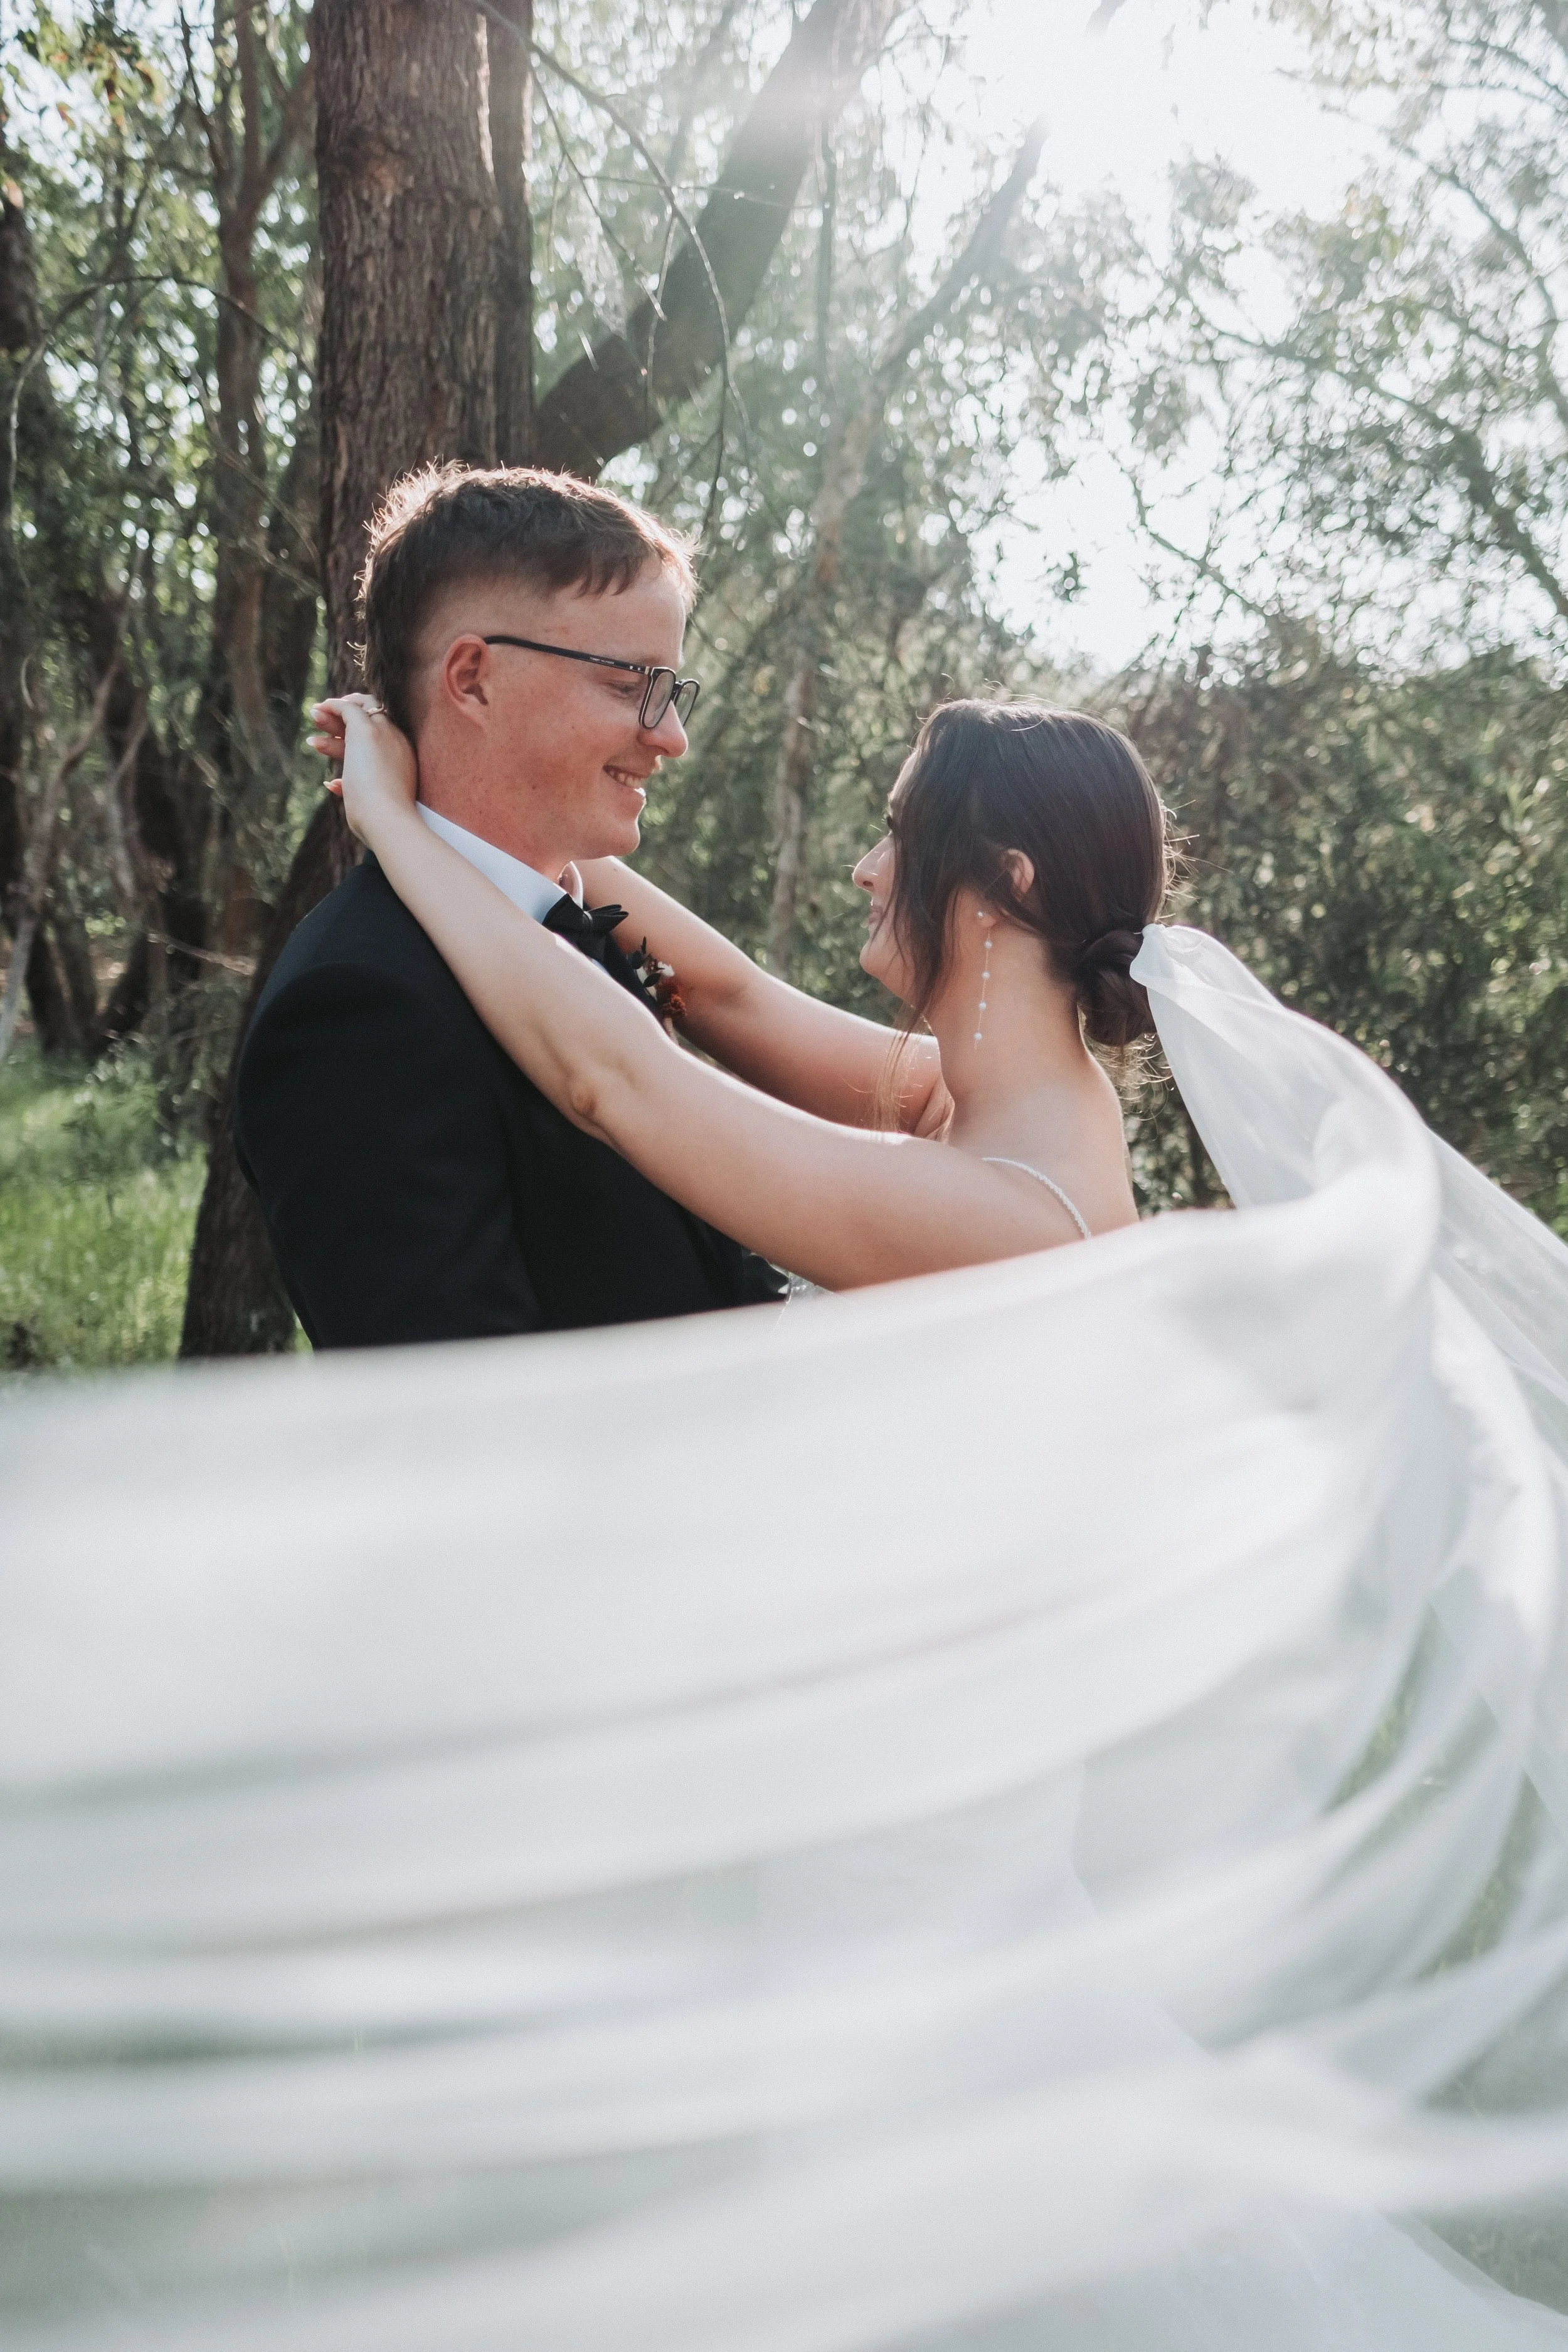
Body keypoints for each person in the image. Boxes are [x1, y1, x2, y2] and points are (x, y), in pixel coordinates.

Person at [306, 687, 1170, 1293]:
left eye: (901, 834)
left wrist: (388, 821)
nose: (867, 872)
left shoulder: (1017, 1220)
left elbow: (618, 1083)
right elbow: (725, 999)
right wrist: (470, 792)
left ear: (1007, 889)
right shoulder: (1007, 1095)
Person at [233, 464, 795, 1348]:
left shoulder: (580, 927)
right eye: (629, 684)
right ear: (474, 679)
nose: (671, 736)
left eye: (671, 689)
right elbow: (461, 1430)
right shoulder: (354, 1007)